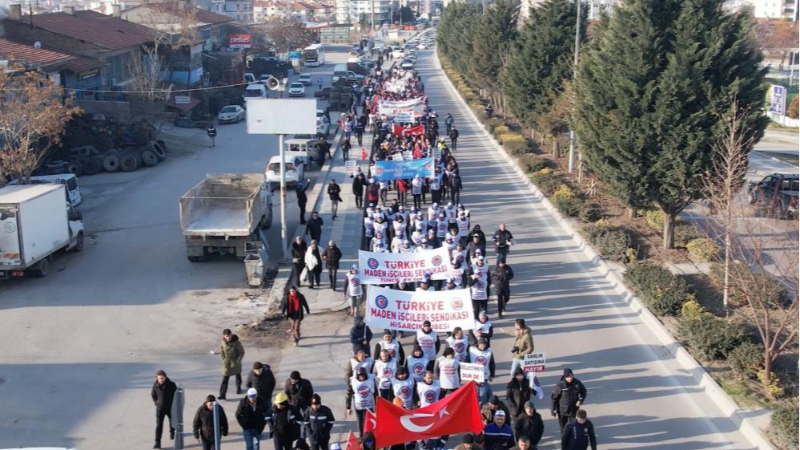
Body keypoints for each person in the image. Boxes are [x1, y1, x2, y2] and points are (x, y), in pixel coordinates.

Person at [551, 369, 587, 434]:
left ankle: (572, 441)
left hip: (573, 410)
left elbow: (583, 391)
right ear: (565, 377)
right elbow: (554, 398)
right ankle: (564, 441)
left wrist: (580, 400)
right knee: (563, 428)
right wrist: (553, 410)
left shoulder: (577, 383)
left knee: (574, 427)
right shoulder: (560, 385)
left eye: (571, 376)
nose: (570, 378)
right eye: (568, 377)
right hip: (562, 411)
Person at [346, 368, 377, 435]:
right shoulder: (354, 382)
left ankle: (369, 435)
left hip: (369, 405)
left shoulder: (370, 381)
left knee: (369, 421)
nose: (361, 378)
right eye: (360, 376)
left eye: (363, 376)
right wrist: (348, 407)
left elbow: (375, 393)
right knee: (360, 422)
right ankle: (361, 436)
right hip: (358, 406)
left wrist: (377, 405)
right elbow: (349, 394)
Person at [151, 369, 177, 449]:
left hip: (170, 408)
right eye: (159, 378)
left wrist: (174, 404)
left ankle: (172, 432)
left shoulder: (171, 385)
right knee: (159, 425)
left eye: (162, 378)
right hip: (160, 409)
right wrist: (156, 403)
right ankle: (157, 442)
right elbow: (153, 395)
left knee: (172, 422)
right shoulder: (155, 385)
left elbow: (176, 395)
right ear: (157, 378)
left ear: (165, 377)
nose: (161, 380)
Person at [219, 328, 245, 400]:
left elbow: (241, 352)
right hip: (227, 363)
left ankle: (238, 387)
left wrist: (238, 360)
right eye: (227, 336)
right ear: (224, 336)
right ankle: (222, 394)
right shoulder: (223, 342)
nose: (228, 337)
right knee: (225, 378)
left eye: (229, 335)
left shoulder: (236, 342)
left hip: (235, 361)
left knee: (238, 375)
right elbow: (221, 350)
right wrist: (223, 358)